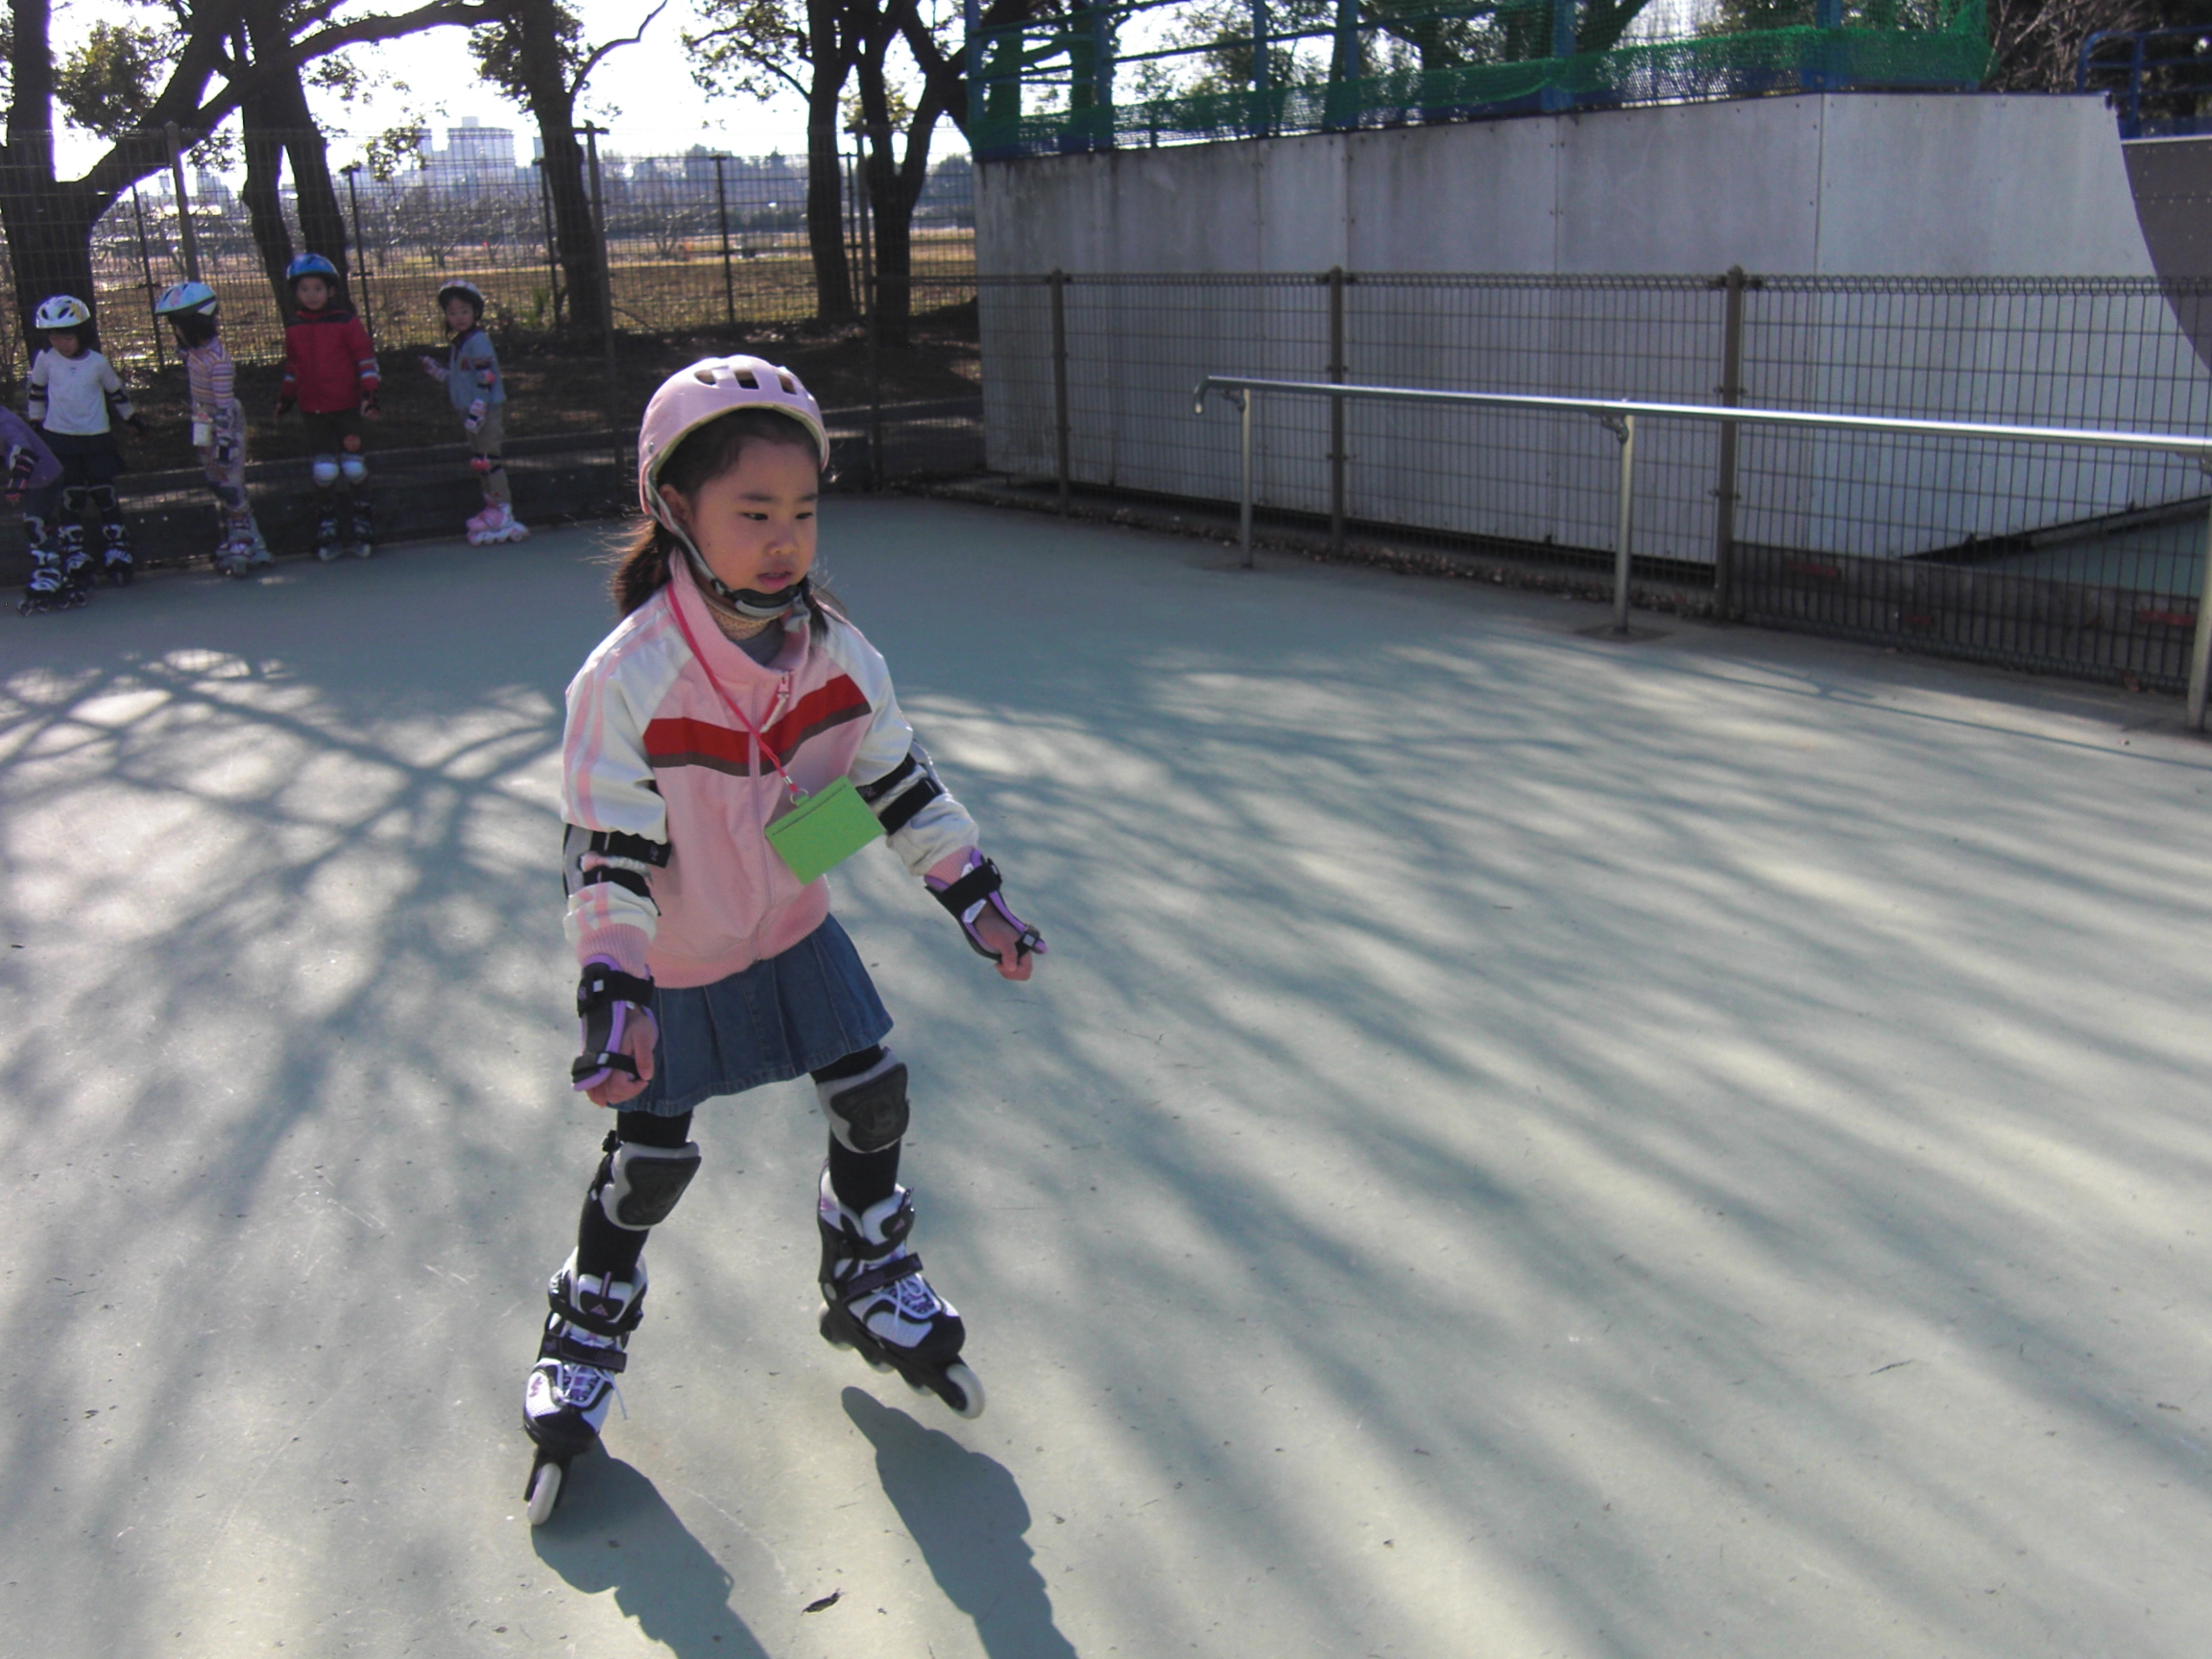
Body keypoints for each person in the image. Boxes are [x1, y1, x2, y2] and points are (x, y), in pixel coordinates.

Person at [518, 355, 1046, 1525]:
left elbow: (896, 782)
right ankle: (587, 1321)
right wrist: (614, 988)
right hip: (674, 956)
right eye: (753, 512)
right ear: (675, 510)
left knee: (872, 1094)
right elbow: (605, 849)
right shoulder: (629, 680)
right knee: (648, 1163)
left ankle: (864, 1262)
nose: (784, 541)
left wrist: (973, 893)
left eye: (803, 512)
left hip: (792, 925)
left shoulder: (836, 655)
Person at [25, 294, 146, 592]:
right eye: (54, 337)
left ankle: (117, 545)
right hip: (59, 438)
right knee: (72, 495)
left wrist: (132, 419)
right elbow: (36, 391)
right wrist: (35, 423)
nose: (61, 343)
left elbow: (116, 393)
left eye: (67, 337)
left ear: (82, 334)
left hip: (96, 437)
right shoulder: (46, 360)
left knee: (104, 492)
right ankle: (74, 550)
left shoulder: (97, 363)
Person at [155, 280, 269, 578]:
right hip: (203, 421)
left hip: (222, 424)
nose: (176, 331)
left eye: (179, 325)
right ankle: (251, 540)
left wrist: (224, 445)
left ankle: (243, 538)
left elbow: (225, 407)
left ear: (197, 324)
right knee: (217, 483)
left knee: (229, 484)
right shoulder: (195, 354)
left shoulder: (218, 362)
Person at [276, 253, 379, 559]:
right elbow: (293, 367)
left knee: (353, 466)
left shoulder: (346, 323)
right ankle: (327, 522)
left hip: (346, 407)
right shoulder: (294, 327)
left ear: (331, 290)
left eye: (318, 289)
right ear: (296, 293)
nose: (312, 295)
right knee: (324, 470)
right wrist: (286, 398)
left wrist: (370, 394)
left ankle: (363, 516)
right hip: (313, 410)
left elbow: (365, 358)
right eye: (304, 289)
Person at [417, 279, 528, 545]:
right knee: (479, 460)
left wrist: (479, 409)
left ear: (475, 312)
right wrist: (435, 370)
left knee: (490, 459)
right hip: (469, 411)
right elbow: (458, 379)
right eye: (452, 312)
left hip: (484, 410)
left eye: (464, 311)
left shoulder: (478, 341)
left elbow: (485, 377)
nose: (458, 317)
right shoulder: (460, 343)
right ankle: (492, 505)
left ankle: (504, 510)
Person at [7, 407, 69, 614]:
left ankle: (50, 573)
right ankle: (55, 570)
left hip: (44, 476)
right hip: (41, 476)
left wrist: (17, 484)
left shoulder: (4, 422)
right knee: (43, 524)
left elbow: (23, 451)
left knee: (35, 525)